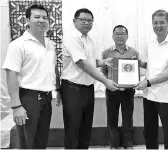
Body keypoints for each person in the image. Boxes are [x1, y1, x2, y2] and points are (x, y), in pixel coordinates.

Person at [2, 4, 61, 149]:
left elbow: (53, 68)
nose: (41, 20)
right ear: (27, 20)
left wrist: (58, 89)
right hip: (28, 99)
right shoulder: (18, 45)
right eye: (37, 17)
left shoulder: (50, 44)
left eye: (45, 17)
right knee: (27, 143)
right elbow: (11, 75)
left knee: (41, 141)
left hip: (46, 98)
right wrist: (16, 106)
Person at [60, 8, 119, 149]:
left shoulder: (88, 39)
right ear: (75, 21)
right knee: (73, 128)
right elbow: (82, 63)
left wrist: (102, 62)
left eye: (90, 20)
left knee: (85, 128)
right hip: (73, 89)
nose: (87, 23)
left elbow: (90, 61)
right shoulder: (72, 38)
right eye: (83, 20)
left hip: (87, 88)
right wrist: (105, 81)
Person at [135, 9, 168, 149]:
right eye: (155, 22)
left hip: (166, 96)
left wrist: (148, 82)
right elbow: (149, 64)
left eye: (162, 22)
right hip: (149, 95)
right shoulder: (150, 41)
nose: (158, 25)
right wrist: (135, 63)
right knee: (149, 130)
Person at [101, 25, 139, 149]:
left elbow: (136, 71)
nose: (120, 36)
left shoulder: (134, 52)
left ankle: (127, 144)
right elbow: (104, 72)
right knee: (112, 118)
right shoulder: (106, 52)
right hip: (112, 90)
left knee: (128, 118)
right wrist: (109, 83)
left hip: (128, 91)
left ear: (127, 36)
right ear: (113, 36)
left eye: (122, 34)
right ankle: (114, 144)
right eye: (117, 34)